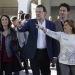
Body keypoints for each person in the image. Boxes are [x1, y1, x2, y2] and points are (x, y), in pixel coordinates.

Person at [17, 5, 58, 75]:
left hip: (46, 53)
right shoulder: (31, 22)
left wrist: (54, 56)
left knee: (46, 73)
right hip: (34, 53)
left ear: (45, 13)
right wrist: (19, 25)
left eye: (40, 12)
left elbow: (54, 41)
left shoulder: (51, 24)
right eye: (36, 12)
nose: (37, 13)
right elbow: (22, 29)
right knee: (35, 73)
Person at [54, 3, 70, 75]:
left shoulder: (72, 24)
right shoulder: (53, 24)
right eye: (60, 10)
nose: (62, 12)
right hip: (59, 53)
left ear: (68, 12)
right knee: (60, 72)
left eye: (64, 10)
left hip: (70, 54)